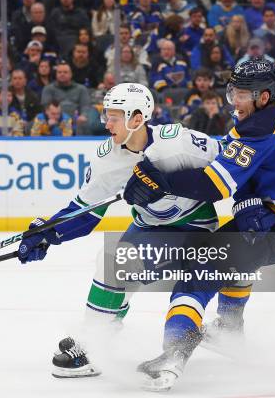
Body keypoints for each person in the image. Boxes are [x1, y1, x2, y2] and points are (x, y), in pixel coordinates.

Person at [121, 59, 275, 389]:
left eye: (243, 94)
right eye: (233, 91)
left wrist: (160, 180)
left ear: (265, 97)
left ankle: (174, 354)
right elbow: (244, 167)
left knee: (200, 267)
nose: (234, 100)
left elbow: (213, 186)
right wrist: (247, 198)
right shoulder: (272, 113)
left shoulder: (259, 127)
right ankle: (228, 329)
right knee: (237, 250)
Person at [16, 83, 228, 387]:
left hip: (193, 226)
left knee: (115, 260)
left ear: (138, 118)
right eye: (106, 115)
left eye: (115, 116)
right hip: (148, 226)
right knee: (113, 264)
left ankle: (93, 340)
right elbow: (86, 211)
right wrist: (49, 232)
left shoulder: (178, 143)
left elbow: (231, 163)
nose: (107, 123)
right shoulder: (107, 158)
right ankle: (95, 340)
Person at [40, 61, 92, 134]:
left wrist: (83, 115)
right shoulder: (48, 89)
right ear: (56, 74)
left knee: (87, 122)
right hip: (55, 121)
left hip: (77, 122)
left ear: (71, 74)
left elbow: (85, 106)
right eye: (59, 72)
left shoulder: (81, 89)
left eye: (65, 72)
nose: (62, 74)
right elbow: (46, 107)